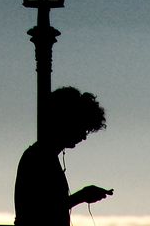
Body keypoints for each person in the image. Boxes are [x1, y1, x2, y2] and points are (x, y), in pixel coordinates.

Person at [14, 86, 113, 226]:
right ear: (67, 123)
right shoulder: (38, 158)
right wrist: (82, 196)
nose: (84, 137)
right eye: (82, 128)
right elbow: (38, 211)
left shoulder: (42, 156)